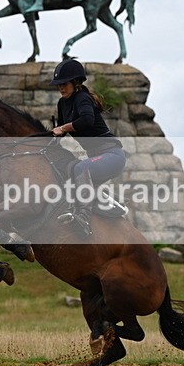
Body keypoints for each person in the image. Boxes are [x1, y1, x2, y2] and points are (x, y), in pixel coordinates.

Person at [50, 59, 126, 236]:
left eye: (64, 84)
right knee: (67, 173)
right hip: (96, 158)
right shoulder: (63, 104)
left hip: (112, 156)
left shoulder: (82, 98)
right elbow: (60, 131)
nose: (61, 88)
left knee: (80, 167)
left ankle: (83, 217)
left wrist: (62, 128)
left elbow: (86, 120)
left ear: (75, 83)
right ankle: (111, 201)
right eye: (58, 85)